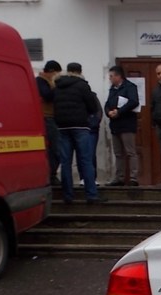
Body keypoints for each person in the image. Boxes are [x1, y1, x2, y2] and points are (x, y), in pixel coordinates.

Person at [54, 62, 102, 204]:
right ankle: (91, 195)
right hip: (80, 126)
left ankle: (68, 196)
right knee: (85, 160)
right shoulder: (82, 85)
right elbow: (92, 106)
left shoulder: (57, 86)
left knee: (65, 162)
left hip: (62, 127)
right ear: (80, 72)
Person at [104, 65, 140, 186]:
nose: (110, 79)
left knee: (130, 152)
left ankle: (133, 177)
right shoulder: (112, 89)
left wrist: (119, 112)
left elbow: (134, 101)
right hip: (115, 124)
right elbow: (107, 104)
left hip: (127, 124)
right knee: (118, 153)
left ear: (118, 76)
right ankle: (119, 177)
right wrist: (108, 112)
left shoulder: (130, 87)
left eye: (111, 76)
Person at [36, 60, 61, 185]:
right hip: (46, 117)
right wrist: (57, 86)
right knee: (54, 148)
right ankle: (51, 174)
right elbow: (47, 95)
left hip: (52, 117)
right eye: (57, 73)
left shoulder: (49, 82)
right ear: (51, 72)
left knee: (55, 148)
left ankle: (52, 174)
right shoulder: (40, 81)